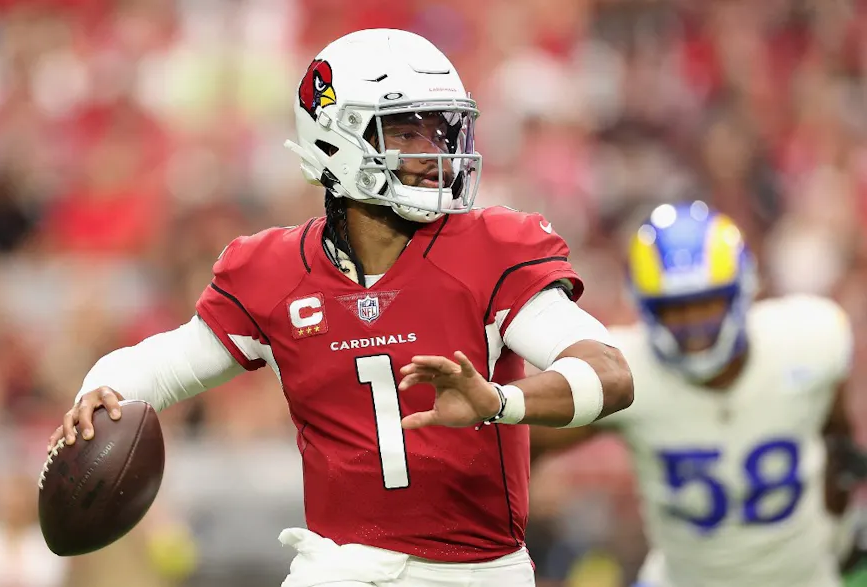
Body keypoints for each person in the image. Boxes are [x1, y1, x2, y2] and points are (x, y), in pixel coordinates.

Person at [47, 29, 634, 587]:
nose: (436, 152)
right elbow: (160, 367)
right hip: (340, 566)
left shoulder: (494, 249)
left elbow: (610, 374)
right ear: (334, 141)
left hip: (478, 571)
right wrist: (101, 389)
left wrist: (502, 401)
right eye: (406, 132)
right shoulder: (273, 270)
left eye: (443, 130)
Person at [530, 201, 860, 587]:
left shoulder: (809, 341)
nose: (693, 326)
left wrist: (840, 520)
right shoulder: (624, 371)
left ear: (743, 290)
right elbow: (522, 442)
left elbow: (839, 440)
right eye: (675, 309)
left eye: (706, 304)